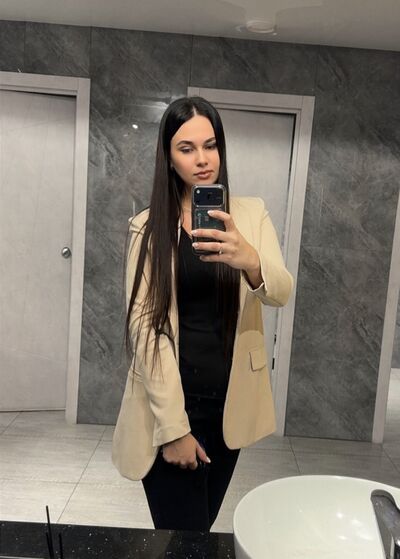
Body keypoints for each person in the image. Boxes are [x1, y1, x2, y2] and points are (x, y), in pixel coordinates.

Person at [112, 96, 293, 531]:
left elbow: (282, 292)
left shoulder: (250, 214)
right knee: (185, 540)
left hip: (228, 407)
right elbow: (144, 330)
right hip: (169, 407)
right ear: (169, 157)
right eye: (186, 148)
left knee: (197, 536)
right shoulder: (147, 227)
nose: (202, 159)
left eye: (210, 145)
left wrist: (249, 259)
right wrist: (174, 429)